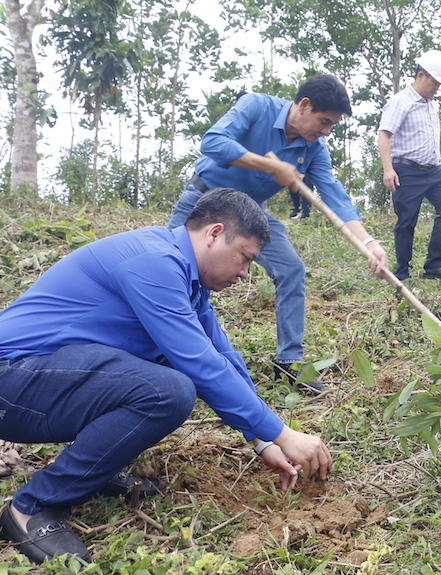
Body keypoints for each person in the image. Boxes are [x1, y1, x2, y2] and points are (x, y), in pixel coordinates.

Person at [0, 189, 333, 564]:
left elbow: (221, 357)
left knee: (161, 373)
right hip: (11, 378)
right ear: (213, 233)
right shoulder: (153, 262)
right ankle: (30, 509)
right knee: (167, 389)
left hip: (44, 375)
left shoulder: (187, 281)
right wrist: (283, 433)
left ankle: (94, 469)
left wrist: (262, 439)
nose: (244, 273)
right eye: (244, 258)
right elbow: (198, 364)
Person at [168, 75, 388, 395]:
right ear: (304, 105)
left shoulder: (314, 148)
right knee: (177, 273)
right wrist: (268, 166)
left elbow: (334, 194)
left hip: (249, 211)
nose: (325, 131)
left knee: (291, 268)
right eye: (324, 121)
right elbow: (213, 142)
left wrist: (368, 243)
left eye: (331, 126)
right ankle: (168, 355)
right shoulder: (256, 106)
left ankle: (289, 362)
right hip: (204, 201)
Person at [378, 50, 441, 281]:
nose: (436, 87)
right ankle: (402, 272)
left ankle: (434, 265)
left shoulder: (432, 104)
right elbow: (384, 134)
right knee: (407, 221)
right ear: (421, 75)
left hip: (434, 171)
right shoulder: (400, 102)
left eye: (439, 84)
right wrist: (388, 169)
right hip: (406, 170)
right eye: (434, 82)